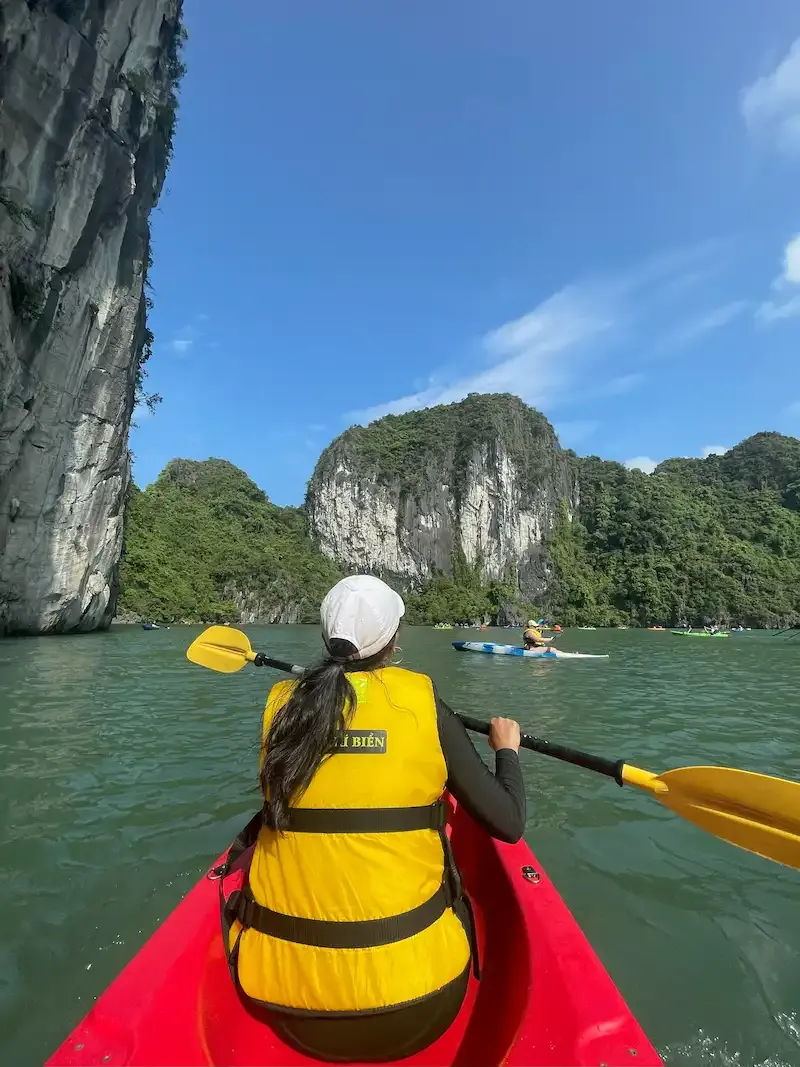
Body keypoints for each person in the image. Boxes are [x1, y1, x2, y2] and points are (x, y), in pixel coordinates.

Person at [223, 575, 526, 1063]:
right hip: (422, 1005)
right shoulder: (423, 701)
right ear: (394, 639)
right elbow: (508, 823)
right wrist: (507, 752)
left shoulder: (282, 704)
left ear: (326, 637)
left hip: (282, 1000)